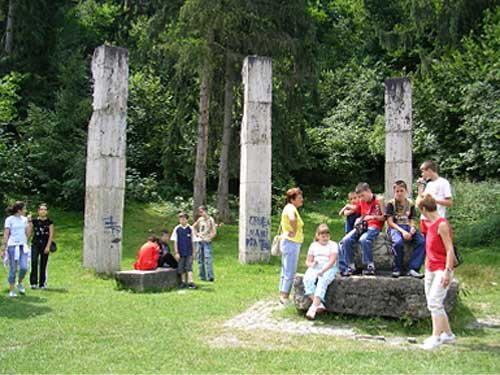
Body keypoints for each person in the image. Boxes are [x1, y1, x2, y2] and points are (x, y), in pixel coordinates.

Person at [417, 193, 456, 350]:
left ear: (424, 209)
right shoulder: (430, 224)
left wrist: (447, 271)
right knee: (433, 303)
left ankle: (436, 337)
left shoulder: (442, 225)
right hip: (430, 269)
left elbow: (450, 250)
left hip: (442, 269)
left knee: (434, 302)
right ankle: (448, 334)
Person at [338, 182, 385, 276]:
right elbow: (354, 210)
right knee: (346, 240)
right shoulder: (361, 201)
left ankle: (370, 265)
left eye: (363, 195)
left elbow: (384, 217)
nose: (361, 198)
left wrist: (372, 217)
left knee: (364, 239)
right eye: (359, 196)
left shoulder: (379, 199)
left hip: (374, 226)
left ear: (368, 191)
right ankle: (350, 266)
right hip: (362, 226)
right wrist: (356, 217)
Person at [385, 180, 425, 278]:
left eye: (401, 191)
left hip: (407, 226)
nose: (399, 193)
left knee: (422, 241)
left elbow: (412, 219)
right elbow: (390, 222)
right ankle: (397, 268)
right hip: (395, 227)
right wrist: (403, 232)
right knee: (398, 243)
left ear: (406, 191)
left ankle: (413, 268)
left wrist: (412, 228)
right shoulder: (391, 204)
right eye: (397, 191)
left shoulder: (410, 204)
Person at [303, 224, 339, 320]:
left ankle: (313, 308)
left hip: (328, 267)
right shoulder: (313, 245)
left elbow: (332, 261)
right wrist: (311, 264)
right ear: (318, 236)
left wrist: (323, 270)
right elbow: (307, 261)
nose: (325, 238)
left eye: (327, 236)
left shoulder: (333, 245)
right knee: (307, 279)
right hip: (316, 266)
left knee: (322, 281)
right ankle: (319, 304)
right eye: (323, 236)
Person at [279, 187, 304, 305]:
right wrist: (294, 230)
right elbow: (292, 218)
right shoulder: (290, 207)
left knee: (285, 270)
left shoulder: (290, 207)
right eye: (299, 198)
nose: (301, 200)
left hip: (288, 242)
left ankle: (282, 295)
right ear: (292, 199)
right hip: (291, 242)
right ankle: (284, 297)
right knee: (290, 270)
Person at [1, 201, 32, 297]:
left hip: (22, 245)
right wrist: (3, 247)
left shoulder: (24, 219)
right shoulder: (9, 219)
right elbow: (6, 233)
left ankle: (19, 282)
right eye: (24, 209)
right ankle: (12, 289)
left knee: (24, 267)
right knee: (13, 268)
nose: (25, 210)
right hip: (12, 245)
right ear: (19, 210)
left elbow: (28, 233)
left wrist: (30, 222)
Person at [417, 160, 453, 236]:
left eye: (423, 172)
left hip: (435, 220)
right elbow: (421, 200)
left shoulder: (443, 182)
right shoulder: (429, 184)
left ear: (429, 170)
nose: (422, 174)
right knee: (426, 244)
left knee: (435, 243)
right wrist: (420, 187)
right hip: (424, 218)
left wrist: (434, 201)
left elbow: (449, 203)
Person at [30, 203, 54, 289]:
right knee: (34, 261)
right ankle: (33, 282)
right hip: (35, 244)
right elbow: (29, 232)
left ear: (47, 212)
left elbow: (51, 235)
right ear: (38, 211)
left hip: (45, 244)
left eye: (45, 209)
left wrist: (48, 246)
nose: (43, 211)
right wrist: (29, 222)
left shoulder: (49, 222)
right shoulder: (34, 221)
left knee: (43, 264)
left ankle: (42, 283)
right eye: (41, 209)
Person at [171, 212, 197, 289]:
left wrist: (194, 252)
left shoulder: (190, 228)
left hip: (189, 252)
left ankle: (190, 281)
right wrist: (176, 252)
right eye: (180, 219)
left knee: (189, 266)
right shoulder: (177, 229)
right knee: (181, 267)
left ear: (187, 219)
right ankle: (182, 282)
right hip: (180, 251)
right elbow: (175, 241)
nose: (182, 220)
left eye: (184, 219)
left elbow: (193, 241)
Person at [192, 205, 217, 282]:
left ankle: (210, 276)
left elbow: (214, 231)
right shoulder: (200, 219)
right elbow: (193, 227)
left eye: (202, 212)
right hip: (200, 241)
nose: (201, 214)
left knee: (208, 259)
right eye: (200, 212)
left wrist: (210, 238)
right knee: (200, 259)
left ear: (206, 211)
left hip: (206, 241)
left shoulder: (210, 220)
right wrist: (197, 234)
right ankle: (202, 276)